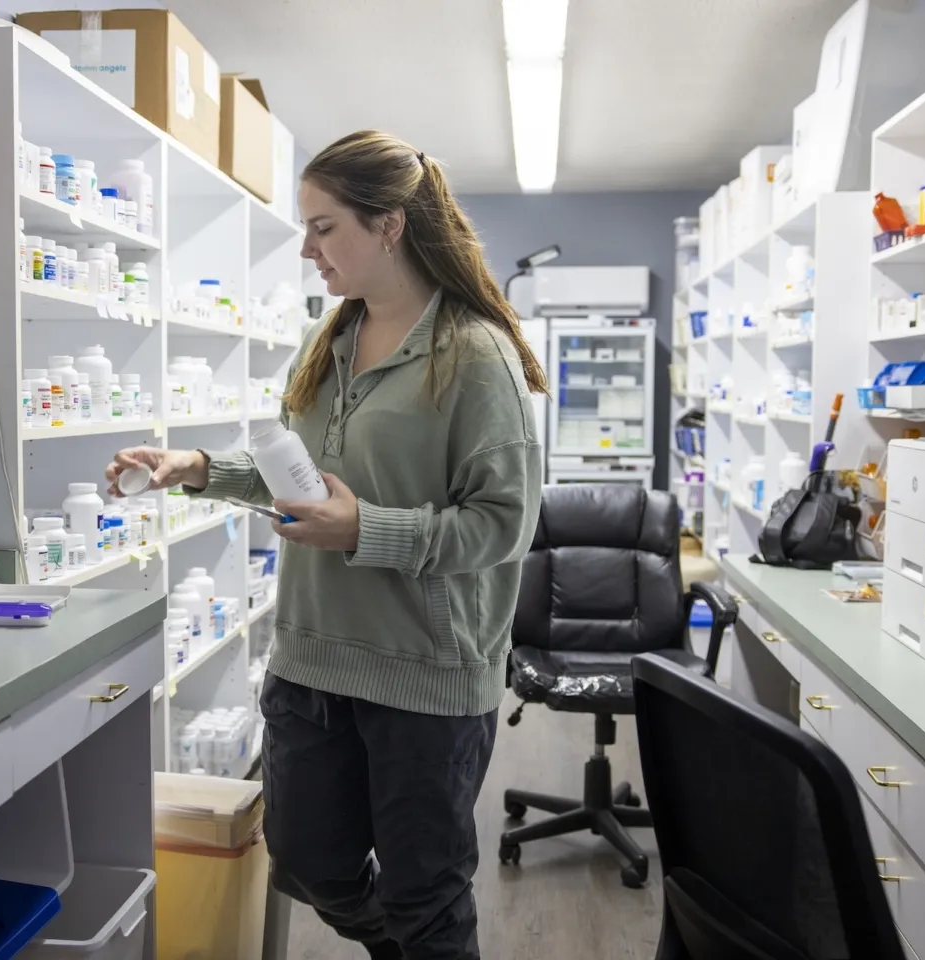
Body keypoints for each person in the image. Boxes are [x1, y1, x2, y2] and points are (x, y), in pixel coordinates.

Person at [106, 130, 547, 960]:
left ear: (389, 227)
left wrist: (364, 530)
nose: (306, 248)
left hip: (424, 674)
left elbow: (503, 526)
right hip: (310, 659)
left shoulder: (473, 355)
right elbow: (300, 477)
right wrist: (194, 467)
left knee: (426, 895)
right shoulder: (330, 342)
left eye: (323, 227)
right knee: (307, 864)